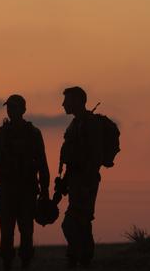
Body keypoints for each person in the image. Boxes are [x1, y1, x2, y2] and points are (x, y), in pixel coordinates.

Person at [0, 94, 50, 270]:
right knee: (6, 233)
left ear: (23, 110)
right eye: (9, 107)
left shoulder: (33, 133)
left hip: (27, 190)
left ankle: (25, 263)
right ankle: (7, 264)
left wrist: (45, 192)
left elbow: (42, 164)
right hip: (7, 189)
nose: (11, 111)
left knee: (26, 232)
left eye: (14, 107)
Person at [59, 86, 105, 268]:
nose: (63, 104)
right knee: (79, 224)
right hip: (76, 181)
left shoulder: (89, 124)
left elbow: (94, 157)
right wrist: (65, 181)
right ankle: (79, 259)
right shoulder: (75, 124)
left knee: (74, 223)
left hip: (85, 182)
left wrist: (84, 181)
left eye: (67, 100)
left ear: (78, 101)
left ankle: (82, 258)